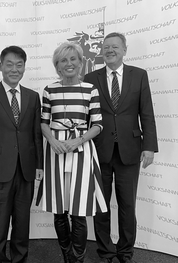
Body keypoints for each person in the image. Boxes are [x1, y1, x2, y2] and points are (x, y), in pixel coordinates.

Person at [84, 32, 158, 263]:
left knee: (128, 207)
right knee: (100, 207)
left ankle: (126, 252)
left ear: (124, 50)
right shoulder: (90, 77)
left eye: (115, 47)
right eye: (106, 47)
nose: (110, 50)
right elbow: (85, 115)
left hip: (130, 150)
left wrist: (149, 146)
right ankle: (105, 252)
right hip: (100, 150)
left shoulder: (139, 75)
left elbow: (146, 112)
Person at [36, 42, 107, 263]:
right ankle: (67, 254)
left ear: (80, 62)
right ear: (57, 66)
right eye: (63, 60)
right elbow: (44, 122)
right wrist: (52, 141)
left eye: (73, 59)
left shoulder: (90, 89)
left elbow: (97, 124)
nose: (69, 64)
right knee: (59, 209)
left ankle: (78, 258)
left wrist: (78, 140)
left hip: (81, 150)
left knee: (78, 209)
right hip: (56, 151)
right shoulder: (49, 90)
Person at [0, 45, 43, 263]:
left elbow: (36, 135)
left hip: (26, 170)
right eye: (9, 64)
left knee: (22, 222)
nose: (14, 69)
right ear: (1, 66)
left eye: (19, 65)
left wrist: (39, 165)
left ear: (24, 67)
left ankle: (20, 259)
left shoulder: (32, 97)